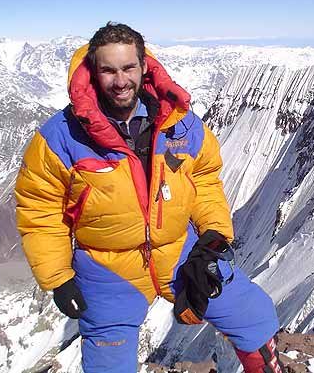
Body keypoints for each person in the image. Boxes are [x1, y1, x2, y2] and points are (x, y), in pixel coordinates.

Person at [15, 22, 283, 373]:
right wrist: (58, 277)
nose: (120, 80)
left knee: (254, 316)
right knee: (108, 364)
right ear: (94, 73)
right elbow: (41, 209)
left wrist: (214, 235)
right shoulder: (60, 137)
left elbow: (203, 179)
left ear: (144, 66)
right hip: (107, 266)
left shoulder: (180, 124)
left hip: (178, 251)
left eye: (128, 67)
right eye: (108, 70)